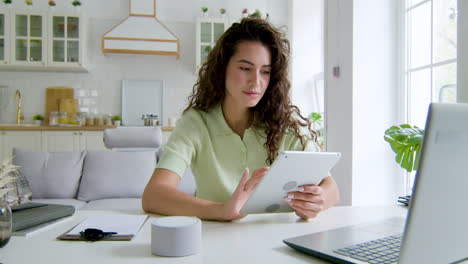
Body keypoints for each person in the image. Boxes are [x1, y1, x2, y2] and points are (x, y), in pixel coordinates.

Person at [142, 17, 339, 221]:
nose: (256, 81)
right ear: (222, 68)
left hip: (277, 240)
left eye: (265, 72)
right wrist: (222, 210)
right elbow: (154, 195)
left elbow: (331, 187)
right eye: (245, 68)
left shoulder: (285, 123)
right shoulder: (196, 122)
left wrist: (318, 199)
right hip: (216, 241)